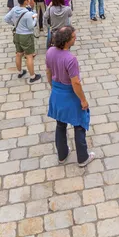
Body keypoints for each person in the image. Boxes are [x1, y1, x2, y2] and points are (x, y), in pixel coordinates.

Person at [46, 26, 95, 167]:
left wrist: (53, 87)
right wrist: (83, 100)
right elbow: (76, 83)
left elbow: (48, 72)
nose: (76, 38)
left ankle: (62, 155)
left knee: (60, 125)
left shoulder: (50, 52)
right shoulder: (71, 59)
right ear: (67, 41)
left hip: (57, 92)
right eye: (74, 37)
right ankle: (82, 158)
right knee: (79, 125)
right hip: (70, 95)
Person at [4, 0, 41, 83]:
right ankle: (33, 76)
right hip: (26, 36)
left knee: (19, 53)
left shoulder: (14, 9)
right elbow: (31, 26)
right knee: (29, 56)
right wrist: (35, 19)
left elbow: (6, 18)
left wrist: (14, 23)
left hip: (17, 34)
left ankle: (20, 72)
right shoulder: (28, 14)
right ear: (25, 1)